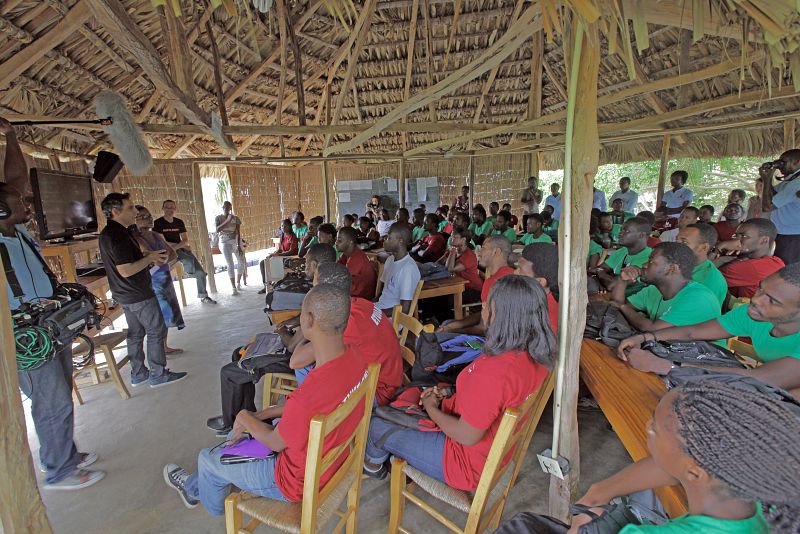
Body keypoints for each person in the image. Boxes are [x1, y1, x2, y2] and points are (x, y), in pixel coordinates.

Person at [166, 283, 368, 513]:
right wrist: (259, 415)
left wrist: (244, 415)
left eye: (302, 313)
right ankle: (214, 473)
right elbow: (307, 411)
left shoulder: (309, 394)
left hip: (293, 481)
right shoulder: (357, 358)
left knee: (207, 459)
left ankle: (197, 492)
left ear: (310, 320)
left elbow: (274, 441)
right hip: (333, 459)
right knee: (242, 436)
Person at [363, 276, 555, 486]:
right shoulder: (536, 358)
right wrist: (449, 392)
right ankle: (401, 455)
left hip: (462, 462)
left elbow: (467, 436)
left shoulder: (495, 371)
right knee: (404, 401)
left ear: (503, 316)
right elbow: (490, 401)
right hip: (490, 452)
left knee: (376, 426)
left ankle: (375, 468)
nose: (482, 306)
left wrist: (432, 408)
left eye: (488, 303)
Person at [0, 119, 103, 490]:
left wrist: (11, 137)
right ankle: (60, 469)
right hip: (25, 338)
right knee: (52, 401)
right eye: (19, 204)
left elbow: (15, 181)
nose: (27, 205)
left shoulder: (19, 233)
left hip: (49, 326)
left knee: (60, 393)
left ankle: (65, 454)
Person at [570, 381, 800, 534]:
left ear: (693, 471)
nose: (647, 425)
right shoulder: (764, 499)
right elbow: (673, 466)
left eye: (655, 429)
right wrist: (600, 490)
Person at [206, 245, 337, 437]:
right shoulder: (332, 294)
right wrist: (295, 322)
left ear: (316, 267)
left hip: (300, 360)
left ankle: (231, 423)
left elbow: (292, 345)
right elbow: (306, 323)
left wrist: (282, 330)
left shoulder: (317, 298)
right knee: (239, 353)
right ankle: (246, 413)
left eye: (307, 264)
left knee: (229, 372)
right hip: (308, 354)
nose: (304, 267)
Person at [616, 263, 800, 394]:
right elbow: (693, 332)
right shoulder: (752, 313)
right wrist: (646, 338)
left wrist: (666, 366)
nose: (756, 299)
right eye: (760, 289)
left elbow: (762, 378)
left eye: (773, 301)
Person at [99, 193, 188, 390]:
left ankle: (138, 373)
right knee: (157, 329)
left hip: (124, 293)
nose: (136, 211)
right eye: (130, 208)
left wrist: (148, 255)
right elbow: (126, 269)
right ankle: (158, 373)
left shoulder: (109, 233)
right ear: (115, 212)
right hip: (137, 292)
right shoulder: (118, 235)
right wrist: (150, 259)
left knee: (136, 333)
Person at [285, 262, 403, 403]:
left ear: (326, 294)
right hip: (389, 380)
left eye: (314, 287)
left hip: (378, 393)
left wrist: (307, 330)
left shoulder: (347, 322)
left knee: (305, 368)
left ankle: (312, 409)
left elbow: (296, 362)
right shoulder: (361, 303)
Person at [610, 242, 721, 332]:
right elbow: (616, 308)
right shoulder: (654, 290)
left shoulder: (698, 297)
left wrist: (622, 307)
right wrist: (622, 281)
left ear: (671, 268)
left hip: (701, 357)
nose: (644, 265)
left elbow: (651, 328)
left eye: (651, 261)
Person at [134, 206, 186, 354]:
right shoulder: (137, 238)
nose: (149, 218)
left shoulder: (155, 235)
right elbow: (152, 256)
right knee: (159, 313)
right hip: (152, 279)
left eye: (149, 215)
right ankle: (159, 348)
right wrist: (159, 258)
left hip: (164, 276)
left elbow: (171, 254)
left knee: (168, 311)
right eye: (143, 216)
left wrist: (161, 258)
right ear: (135, 220)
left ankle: (164, 345)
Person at [438, 235, 514, 335]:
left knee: (443, 331)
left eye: (483, 248)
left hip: (498, 340)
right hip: (504, 335)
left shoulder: (495, 282)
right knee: (448, 323)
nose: (478, 252)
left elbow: (483, 329)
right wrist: (458, 324)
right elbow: (486, 312)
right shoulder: (511, 273)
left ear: (496, 252)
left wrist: (452, 330)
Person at [154, 200, 216, 304]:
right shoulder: (157, 223)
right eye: (167, 207)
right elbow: (162, 241)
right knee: (160, 274)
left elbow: (185, 239)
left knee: (200, 272)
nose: (169, 209)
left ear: (175, 209)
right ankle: (162, 301)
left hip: (180, 249)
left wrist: (179, 246)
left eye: (172, 207)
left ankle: (203, 295)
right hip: (166, 252)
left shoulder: (179, 222)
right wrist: (180, 246)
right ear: (163, 208)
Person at [715, 218, 785, 299]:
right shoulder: (777, 261)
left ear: (763, 240)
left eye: (743, 236)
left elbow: (703, 277)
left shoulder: (751, 267)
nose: (736, 240)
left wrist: (719, 247)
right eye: (736, 235)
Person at [591, 217, 653, 295]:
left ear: (641, 235)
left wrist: (599, 272)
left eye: (626, 231)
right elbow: (597, 269)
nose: (620, 233)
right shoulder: (623, 250)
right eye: (621, 230)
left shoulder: (648, 259)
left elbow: (612, 286)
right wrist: (600, 273)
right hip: (612, 297)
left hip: (631, 304)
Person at [674, 223, 728, 308]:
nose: (675, 246)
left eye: (684, 242)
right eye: (676, 241)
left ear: (704, 248)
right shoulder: (674, 265)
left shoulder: (712, 281)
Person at [763, 149, 800, 265]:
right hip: (786, 233)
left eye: (783, 162)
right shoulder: (789, 181)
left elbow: (767, 206)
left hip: (792, 235)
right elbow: (772, 195)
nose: (779, 166)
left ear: (796, 162)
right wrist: (767, 180)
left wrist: (766, 180)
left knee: (787, 270)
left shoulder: (796, 183)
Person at [376, 223, 421, 315]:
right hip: (380, 310)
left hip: (393, 319)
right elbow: (384, 293)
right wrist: (369, 306)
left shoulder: (408, 268)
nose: (384, 240)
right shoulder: (390, 259)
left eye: (389, 238)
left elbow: (404, 310)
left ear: (400, 241)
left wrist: (376, 313)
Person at [515, 243, 559, 335]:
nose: (515, 272)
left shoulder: (545, 319)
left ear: (540, 282)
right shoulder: (530, 301)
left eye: (520, 269)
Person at [439, 228, 482, 303]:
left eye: (455, 237)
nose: (451, 239)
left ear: (463, 240)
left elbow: (450, 268)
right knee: (437, 296)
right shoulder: (453, 250)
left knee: (443, 299)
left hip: (472, 289)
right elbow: (439, 262)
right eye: (451, 237)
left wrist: (453, 250)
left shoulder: (468, 256)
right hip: (458, 285)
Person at [258, 219, 299, 294]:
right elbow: (280, 249)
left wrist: (278, 255)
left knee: (268, 263)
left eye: (284, 225)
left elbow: (291, 251)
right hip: (281, 257)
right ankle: (266, 285)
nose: (282, 227)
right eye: (282, 226)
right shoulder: (283, 236)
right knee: (262, 263)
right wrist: (275, 253)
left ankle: (273, 284)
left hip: (289, 258)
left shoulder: (293, 237)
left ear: (289, 227)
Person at [336, 226, 377, 299]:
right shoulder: (346, 254)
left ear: (350, 242)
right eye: (336, 240)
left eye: (340, 241)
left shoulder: (356, 257)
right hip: (352, 292)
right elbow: (335, 267)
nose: (336, 243)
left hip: (361, 298)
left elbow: (344, 280)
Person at [215, 201, 245, 295]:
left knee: (241, 261)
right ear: (222, 207)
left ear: (231, 208)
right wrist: (228, 220)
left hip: (235, 240)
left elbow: (238, 232)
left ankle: (238, 282)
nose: (227, 209)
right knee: (230, 264)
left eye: (229, 207)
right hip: (224, 240)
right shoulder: (218, 218)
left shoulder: (236, 218)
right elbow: (217, 229)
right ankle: (233, 288)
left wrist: (238, 245)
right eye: (225, 207)